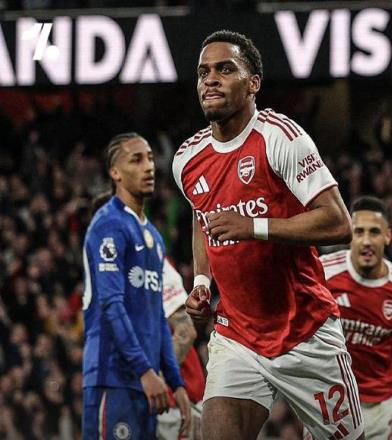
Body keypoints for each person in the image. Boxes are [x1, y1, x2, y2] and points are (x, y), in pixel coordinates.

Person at [172, 30, 365, 440]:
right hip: (237, 336)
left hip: (306, 333)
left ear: (253, 83)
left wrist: (253, 228)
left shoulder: (281, 138)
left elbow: (338, 223)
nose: (210, 80)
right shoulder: (187, 159)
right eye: (204, 72)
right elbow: (201, 219)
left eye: (225, 69)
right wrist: (202, 281)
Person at [82, 132, 191, 439]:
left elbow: (158, 316)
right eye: (137, 160)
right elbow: (111, 304)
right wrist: (144, 370)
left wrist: (175, 381)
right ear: (115, 173)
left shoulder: (153, 237)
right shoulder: (108, 224)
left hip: (149, 382)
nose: (149, 167)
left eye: (151, 159)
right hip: (113, 377)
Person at [320, 196, 392, 440]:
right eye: (359, 232)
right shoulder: (322, 272)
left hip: (379, 406)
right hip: (329, 399)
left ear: (387, 236)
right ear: (349, 234)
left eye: (374, 232)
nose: (366, 241)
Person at [157, 258, 205, 440]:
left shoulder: (153, 259)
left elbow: (185, 332)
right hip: (145, 400)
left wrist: (156, 378)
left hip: (175, 404)